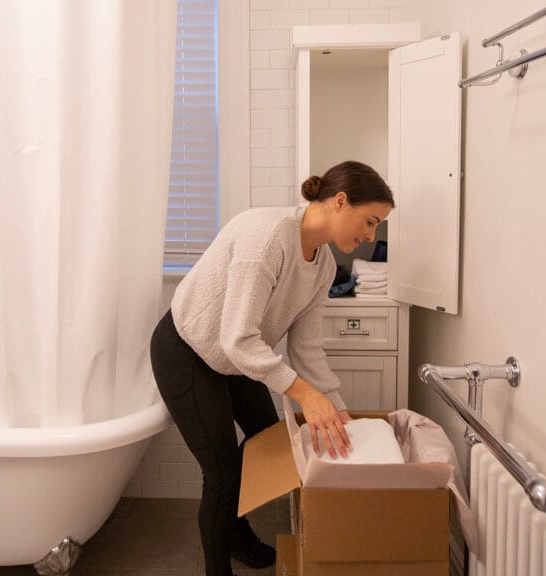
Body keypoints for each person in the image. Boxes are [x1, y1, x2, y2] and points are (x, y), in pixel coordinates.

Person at [149, 160, 394, 575]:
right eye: (370, 222)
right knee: (223, 472)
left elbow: (307, 349)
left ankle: (234, 533)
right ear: (340, 202)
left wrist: (336, 411)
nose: (371, 236)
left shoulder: (324, 266)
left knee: (268, 441)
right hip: (188, 350)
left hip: (234, 357)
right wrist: (305, 396)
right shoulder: (266, 238)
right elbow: (237, 338)